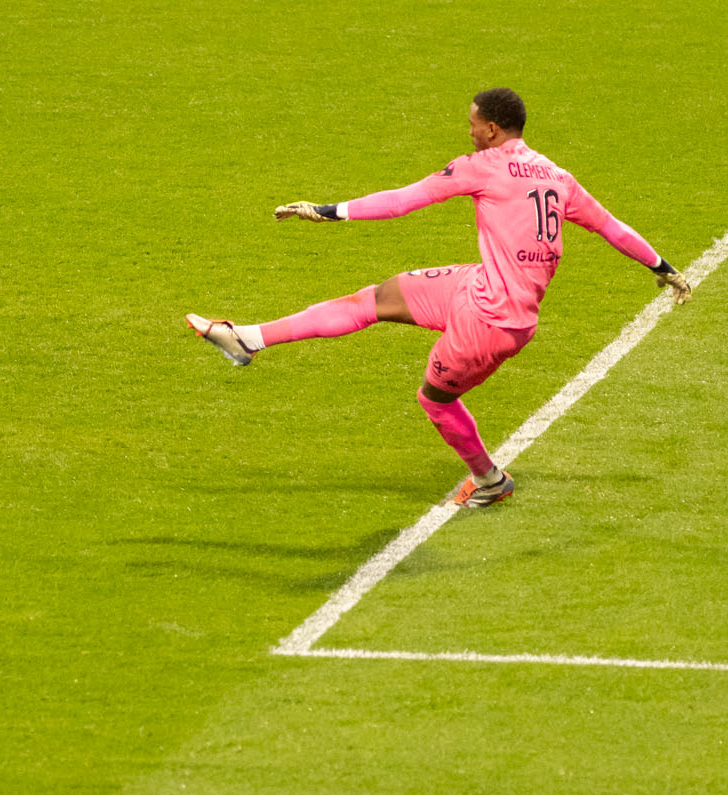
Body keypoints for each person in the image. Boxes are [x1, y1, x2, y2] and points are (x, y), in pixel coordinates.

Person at [187, 89, 691, 507]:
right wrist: (662, 267)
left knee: (436, 400)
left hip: (492, 322)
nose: (468, 130)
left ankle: (491, 481)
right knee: (375, 298)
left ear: (492, 128)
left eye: (472, 123)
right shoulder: (557, 177)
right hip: (476, 286)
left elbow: (403, 201)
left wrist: (329, 211)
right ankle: (248, 339)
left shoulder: (483, 165)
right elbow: (611, 227)